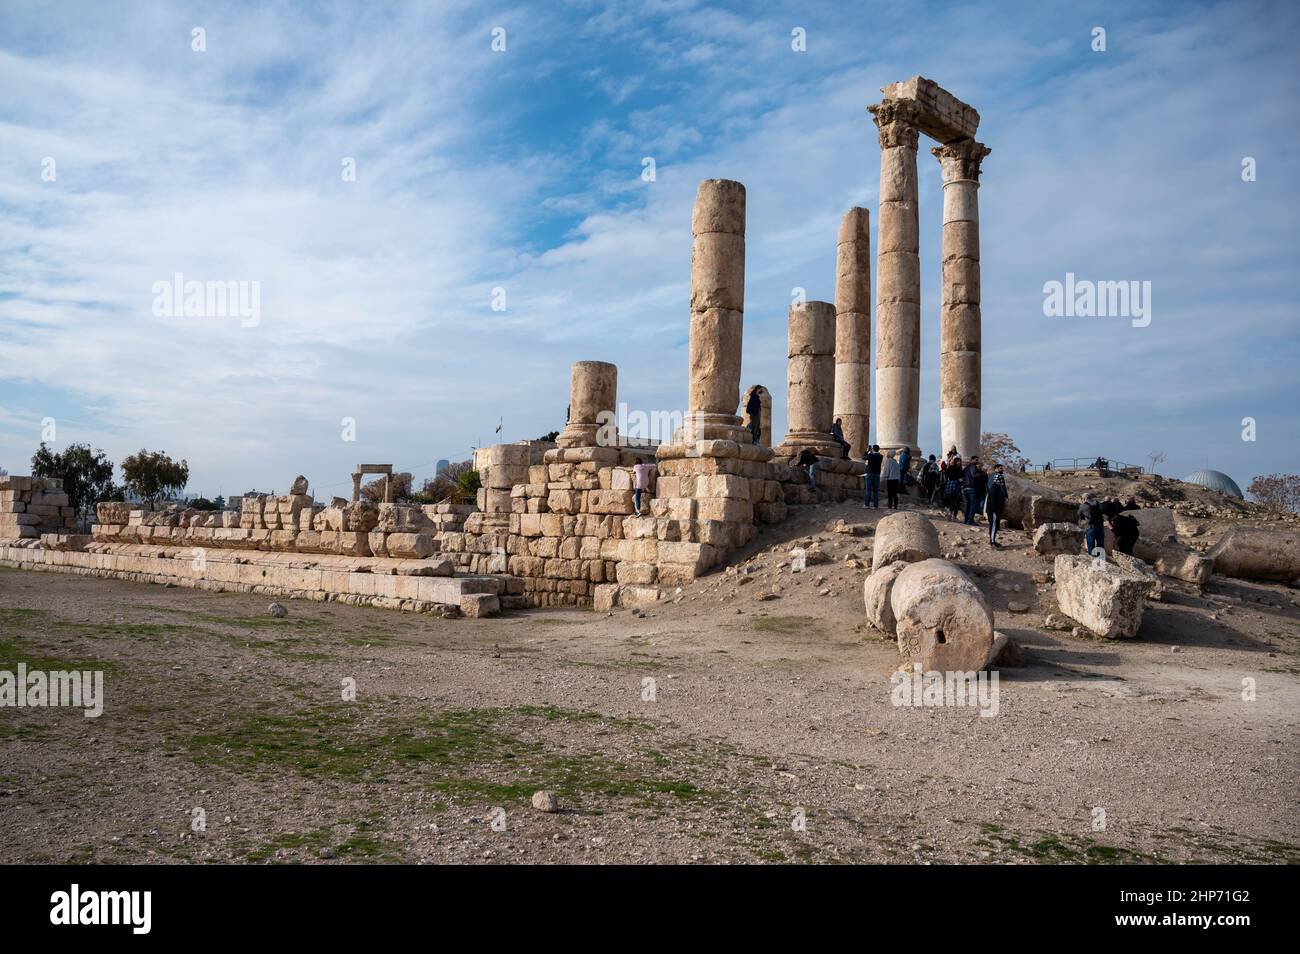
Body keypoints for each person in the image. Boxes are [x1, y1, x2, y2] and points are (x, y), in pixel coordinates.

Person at [985, 463, 1008, 546]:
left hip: (992, 505)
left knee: (993, 524)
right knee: (994, 524)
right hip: (995, 506)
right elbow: (1002, 488)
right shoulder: (998, 477)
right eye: (1001, 468)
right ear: (996, 468)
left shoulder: (990, 478)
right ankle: (992, 542)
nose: (1002, 470)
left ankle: (992, 540)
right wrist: (1006, 496)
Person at [962, 456, 983, 525]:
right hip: (971, 487)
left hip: (965, 488)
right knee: (973, 505)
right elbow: (974, 475)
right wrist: (982, 473)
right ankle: (970, 520)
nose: (977, 461)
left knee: (968, 505)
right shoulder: (973, 466)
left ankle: (966, 520)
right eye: (976, 460)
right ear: (972, 460)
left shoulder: (966, 468)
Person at [943, 456, 963, 521]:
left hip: (958, 486)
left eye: (959, 461)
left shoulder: (960, 469)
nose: (958, 463)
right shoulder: (951, 468)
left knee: (957, 502)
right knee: (952, 501)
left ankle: (954, 516)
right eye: (957, 461)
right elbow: (949, 475)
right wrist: (958, 478)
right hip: (952, 485)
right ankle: (950, 515)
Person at [863, 443, 883, 508]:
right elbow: (876, 455)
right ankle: (875, 505)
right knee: (876, 491)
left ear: (872, 449)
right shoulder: (881, 456)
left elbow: (863, 457)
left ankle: (866, 504)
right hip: (877, 474)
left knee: (868, 490)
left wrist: (867, 451)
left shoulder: (870, 455)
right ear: (878, 449)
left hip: (870, 473)